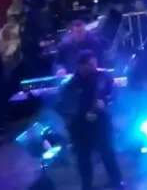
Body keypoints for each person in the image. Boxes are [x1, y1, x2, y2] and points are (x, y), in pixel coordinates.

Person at [59, 51, 123, 190]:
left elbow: (114, 93)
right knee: (83, 158)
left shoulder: (103, 76)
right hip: (81, 128)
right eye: (89, 65)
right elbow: (65, 107)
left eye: (94, 63)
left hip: (101, 123)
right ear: (80, 66)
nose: (93, 67)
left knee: (108, 153)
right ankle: (86, 186)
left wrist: (106, 102)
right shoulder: (70, 85)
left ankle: (117, 182)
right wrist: (82, 116)